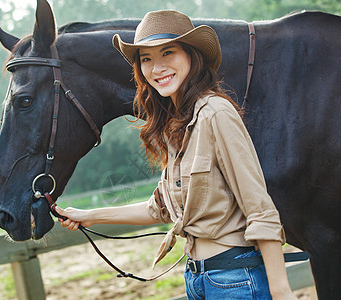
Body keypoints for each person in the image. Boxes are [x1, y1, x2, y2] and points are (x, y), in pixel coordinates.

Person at [54, 10, 296, 300]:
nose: (157, 68)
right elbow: (160, 209)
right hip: (197, 279)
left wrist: (281, 291)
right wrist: (89, 216)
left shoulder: (216, 114)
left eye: (168, 52)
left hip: (235, 280)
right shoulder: (175, 126)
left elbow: (259, 208)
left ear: (192, 56)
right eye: (146, 58)